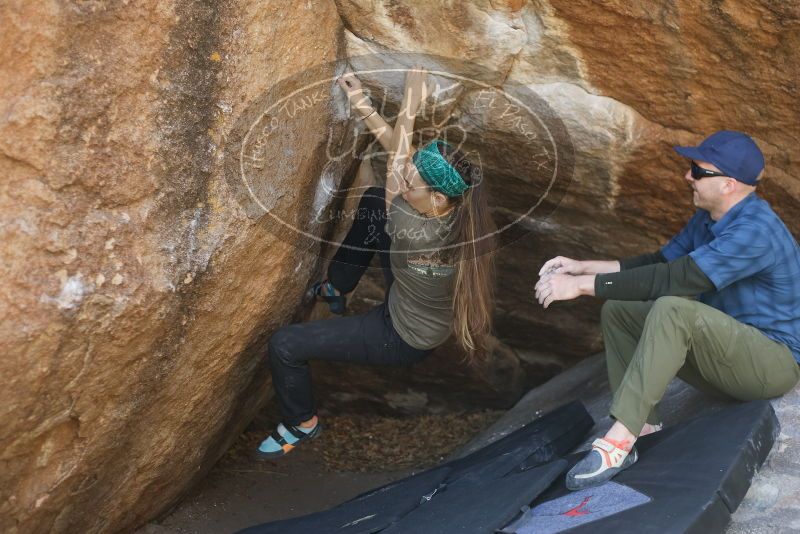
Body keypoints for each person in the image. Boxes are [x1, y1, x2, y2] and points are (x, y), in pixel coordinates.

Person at [534, 130, 800, 490]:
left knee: (673, 308)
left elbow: (678, 279)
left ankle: (620, 439)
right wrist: (584, 267)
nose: (687, 175)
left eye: (697, 170)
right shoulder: (710, 219)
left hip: (771, 366)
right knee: (620, 310)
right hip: (726, 361)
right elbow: (658, 262)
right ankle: (642, 421)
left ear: (729, 185)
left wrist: (582, 287)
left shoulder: (756, 231)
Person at [257, 67, 497, 458]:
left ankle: (302, 422)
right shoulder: (458, 208)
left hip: (400, 335)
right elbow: (403, 163)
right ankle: (338, 286)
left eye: (412, 183)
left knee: (285, 344)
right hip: (413, 289)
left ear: (435, 199)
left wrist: (410, 106)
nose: (405, 180)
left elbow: (398, 161)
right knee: (373, 203)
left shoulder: (411, 226)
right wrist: (362, 104)